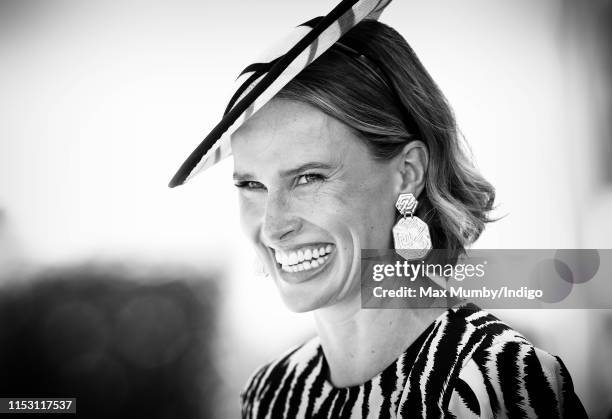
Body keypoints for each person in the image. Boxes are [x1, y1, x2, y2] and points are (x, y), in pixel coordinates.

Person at [168, 1, 588, 417]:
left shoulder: (498, 378)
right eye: (251, 185)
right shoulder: (270, 395)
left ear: (407, 173)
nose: (274, 226)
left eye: (309, 177)